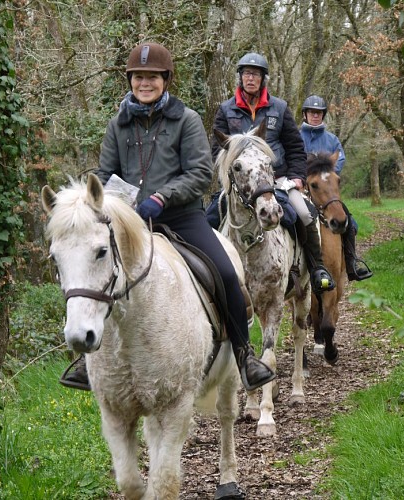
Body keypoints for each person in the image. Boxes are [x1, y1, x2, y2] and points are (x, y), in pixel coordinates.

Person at [60, 42, 276, 393]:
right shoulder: (118, 124)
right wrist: (112, 203)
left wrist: (163, 196)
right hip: (130, 221)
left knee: (223, 272)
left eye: (152, 77)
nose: (145, 83)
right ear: (130, 80)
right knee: (90, 269)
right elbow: (105, 172)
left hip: (180, 218)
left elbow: (199, 172)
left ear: (165, 79)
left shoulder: (186, 119)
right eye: (138, 77)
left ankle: (244, 355)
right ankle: (88, 361)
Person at [210, 52, 336, 294]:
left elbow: (295, 147)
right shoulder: (226, 110)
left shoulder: (279, 108)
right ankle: (208, 276)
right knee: (209, 219)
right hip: (241, 184)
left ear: (263, 79)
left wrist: (298, 177)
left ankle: (316, 267)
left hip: (277, 181)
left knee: (304, 214)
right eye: (246, 73)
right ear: (240, 77)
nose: (250, 78)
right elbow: (217, 151)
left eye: (255, 74)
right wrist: (229, 178)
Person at [300, 95, 373, 281]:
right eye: (311, 112)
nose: (315, 116)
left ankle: (351, 264)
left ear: (323, 115)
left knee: (350, 223)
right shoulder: (296, 137)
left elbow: (339, 158)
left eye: (318, 113)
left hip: (326, 192)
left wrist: (326, 176)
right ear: (305, 114)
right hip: (302, 189)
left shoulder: (331, 139)